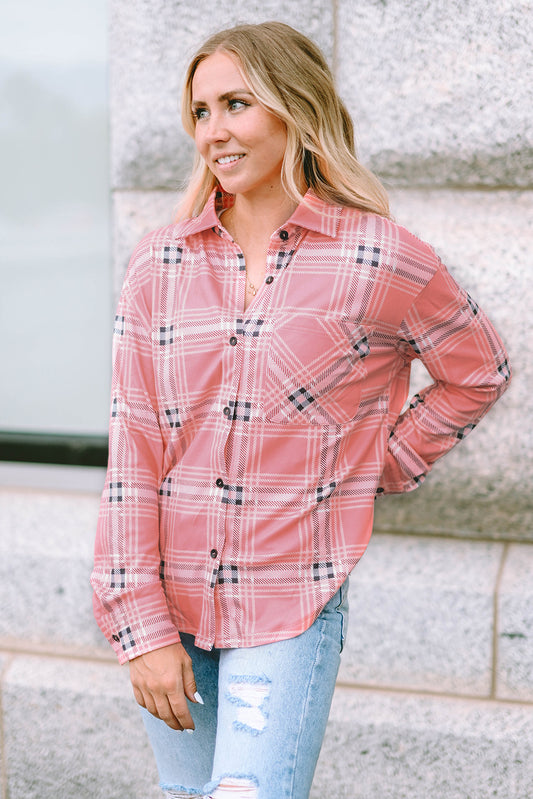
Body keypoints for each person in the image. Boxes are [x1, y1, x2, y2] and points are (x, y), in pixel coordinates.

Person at [91, 21, 511, 799]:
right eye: (202, 111)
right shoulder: (160, 261)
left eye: (237, 104)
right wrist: (137, 622)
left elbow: (475, 369)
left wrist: (376, 462)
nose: (214, 130)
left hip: (288, 603)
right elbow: (134, 449)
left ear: (294, 109)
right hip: (168, 602)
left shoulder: (378, 256)